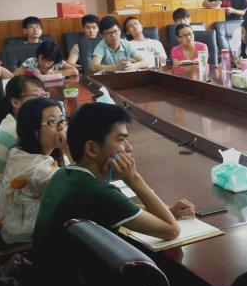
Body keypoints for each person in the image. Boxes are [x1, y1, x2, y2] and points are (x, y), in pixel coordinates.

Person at [33, 102, 195, 267]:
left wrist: (167, 211)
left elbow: (122, 206)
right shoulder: (99, 192)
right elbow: (171, 230)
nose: (129, 148)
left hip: (45, 276)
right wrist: (134, 179)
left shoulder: (64, 174)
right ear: (92, 149)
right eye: (121, 140)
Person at [0, 98, 68, 245]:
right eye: (52, 122)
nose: (61, 127)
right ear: (33, 131)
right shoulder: (39, 169)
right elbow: (77, 190)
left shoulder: (17, 151)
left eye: (62, 120)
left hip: (9, 230)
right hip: (25, 243)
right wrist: (68, 148)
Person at [0, 74, 49, 210]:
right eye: (36, 97)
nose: (42, 103)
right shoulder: (19, 134)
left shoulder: (10, 120)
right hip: (4, 212)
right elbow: (46, 177)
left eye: (44, 96)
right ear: (15, 102)